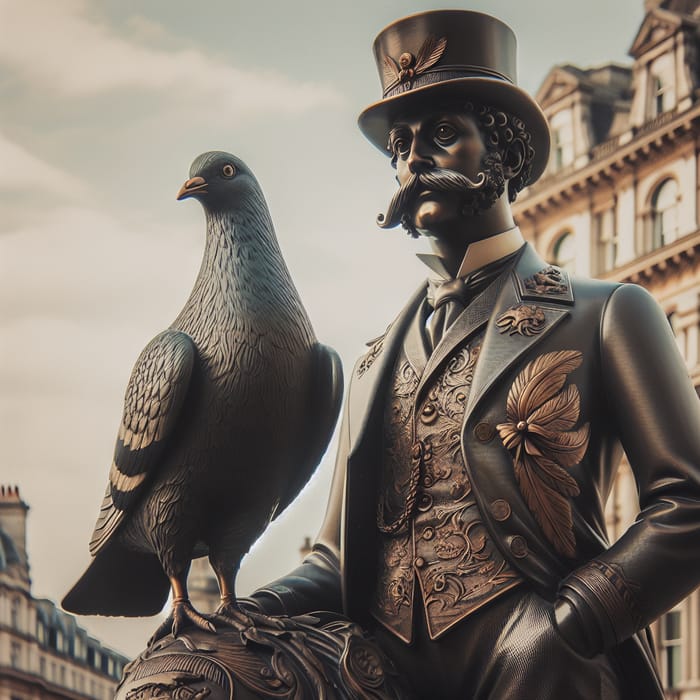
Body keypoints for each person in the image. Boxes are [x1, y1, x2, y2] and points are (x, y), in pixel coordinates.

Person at [245, 10, 700, 699]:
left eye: (444, 135)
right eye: (400, 146)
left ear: (507, 154)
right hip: (384, 673)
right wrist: (247, 610)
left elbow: (689, 499)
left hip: (540, 664)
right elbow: (336, 558)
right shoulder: (371, 364)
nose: (412, 160)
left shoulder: (608, 312)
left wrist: (576, 623)